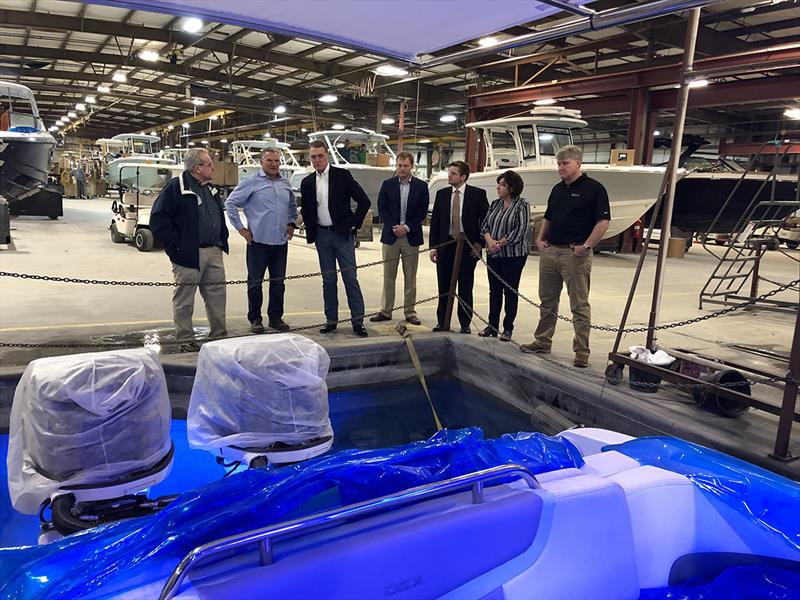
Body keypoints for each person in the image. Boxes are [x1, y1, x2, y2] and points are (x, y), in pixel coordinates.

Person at [520, 145, 610, 368]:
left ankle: (581, 350)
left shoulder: (594, 189)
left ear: (578, 164)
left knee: (579, 304)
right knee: (547, 301)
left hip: (575, 254)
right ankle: (542, 340)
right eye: (558, 164)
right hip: (551, 252)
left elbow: (603, 222)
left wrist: (587, 246)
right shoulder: (557, 190)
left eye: (565, 164)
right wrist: (540, 240)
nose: (560, 168)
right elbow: (548, 217)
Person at [150, 148, 229, 352]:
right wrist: (176, 247)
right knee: (184, 300)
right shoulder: (175, 189)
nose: (213, 167)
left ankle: (219, 337)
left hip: (213, 251)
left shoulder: (210, 188)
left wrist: (221, 240)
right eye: (209, 164)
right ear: (197, 168)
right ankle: (185, 340)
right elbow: (158, 221)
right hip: (188, 254)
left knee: (217, 297)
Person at [300, 140, 370, 337]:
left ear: (327, 156)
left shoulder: (342, 176)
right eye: (313, 157)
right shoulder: (307, 183)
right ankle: (331, 320)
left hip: (342, 236)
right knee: (328, 281)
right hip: (322, 237)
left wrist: (353, 223)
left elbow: (364, 201)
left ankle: (358, 322)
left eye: (320, 156)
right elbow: (306, 209)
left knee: (350, 279)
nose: (317, 160)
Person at [225, 147, 297, 334]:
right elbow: (230, 203)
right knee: (255, 283)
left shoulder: (285, 184)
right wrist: (241, 229)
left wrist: (291, 223)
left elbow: (292, 205)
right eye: (269, 161)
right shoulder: (251, 182)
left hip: (280, 244)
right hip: (258, 243)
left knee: (278, 283)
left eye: (277, 161)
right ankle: (255, 318)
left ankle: (275, 318)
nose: (274, 164)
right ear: (261, 162)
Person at [429, 160, 489, 334]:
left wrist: (480, 243)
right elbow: (436, 223)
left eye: (453, 173)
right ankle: (442, 322)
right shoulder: (442, 194)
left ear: (463, 177)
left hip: (468, 248)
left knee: (465, 286)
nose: (449, 176)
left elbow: (485, 221)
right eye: (449, 172)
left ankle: (465, 324)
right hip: (446, 246)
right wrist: (434, 247)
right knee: (444, 287)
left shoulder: (477, 195)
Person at [370, 151, 430, 325]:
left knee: (410, 277)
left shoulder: (421, 186)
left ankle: (410, 311)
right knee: (389, 275)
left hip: (410, 237)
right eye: (399, 165)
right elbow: (382, 208)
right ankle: (386, 311)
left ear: (412, 167)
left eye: (405, 166)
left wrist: (407, 227)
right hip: (391, 235)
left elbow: (422, 211)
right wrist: (394, 227)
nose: (402, 169)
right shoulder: (387, 184)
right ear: (396, 166)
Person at [479, 170, 531, 341]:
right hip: (494, 255)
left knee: (510, 290)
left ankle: (508, 328)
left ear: (512, 187)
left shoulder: (522, 205)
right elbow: (485, 225)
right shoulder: (494, 204)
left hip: (513, 256)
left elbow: (521, 230)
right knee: (494, 291)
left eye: (502, 185)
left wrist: (499, 243)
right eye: (499, 184)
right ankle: (491, 326)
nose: (498, 188)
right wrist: (489, 240)